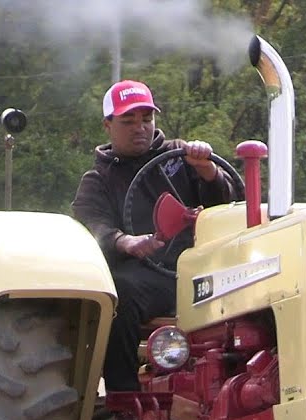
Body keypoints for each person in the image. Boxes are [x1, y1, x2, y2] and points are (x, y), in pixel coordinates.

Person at [71, 80, 235, 401]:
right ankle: (124, 402)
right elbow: (93, 229)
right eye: (128, 121)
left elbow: (226, 204)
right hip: (151, 278)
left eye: (146, 119)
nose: (140, 128)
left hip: (203, 268)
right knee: (119, 294)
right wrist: (125, 242)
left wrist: (208, 171)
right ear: (108, 126)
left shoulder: (181, 156)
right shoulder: (98, 181)